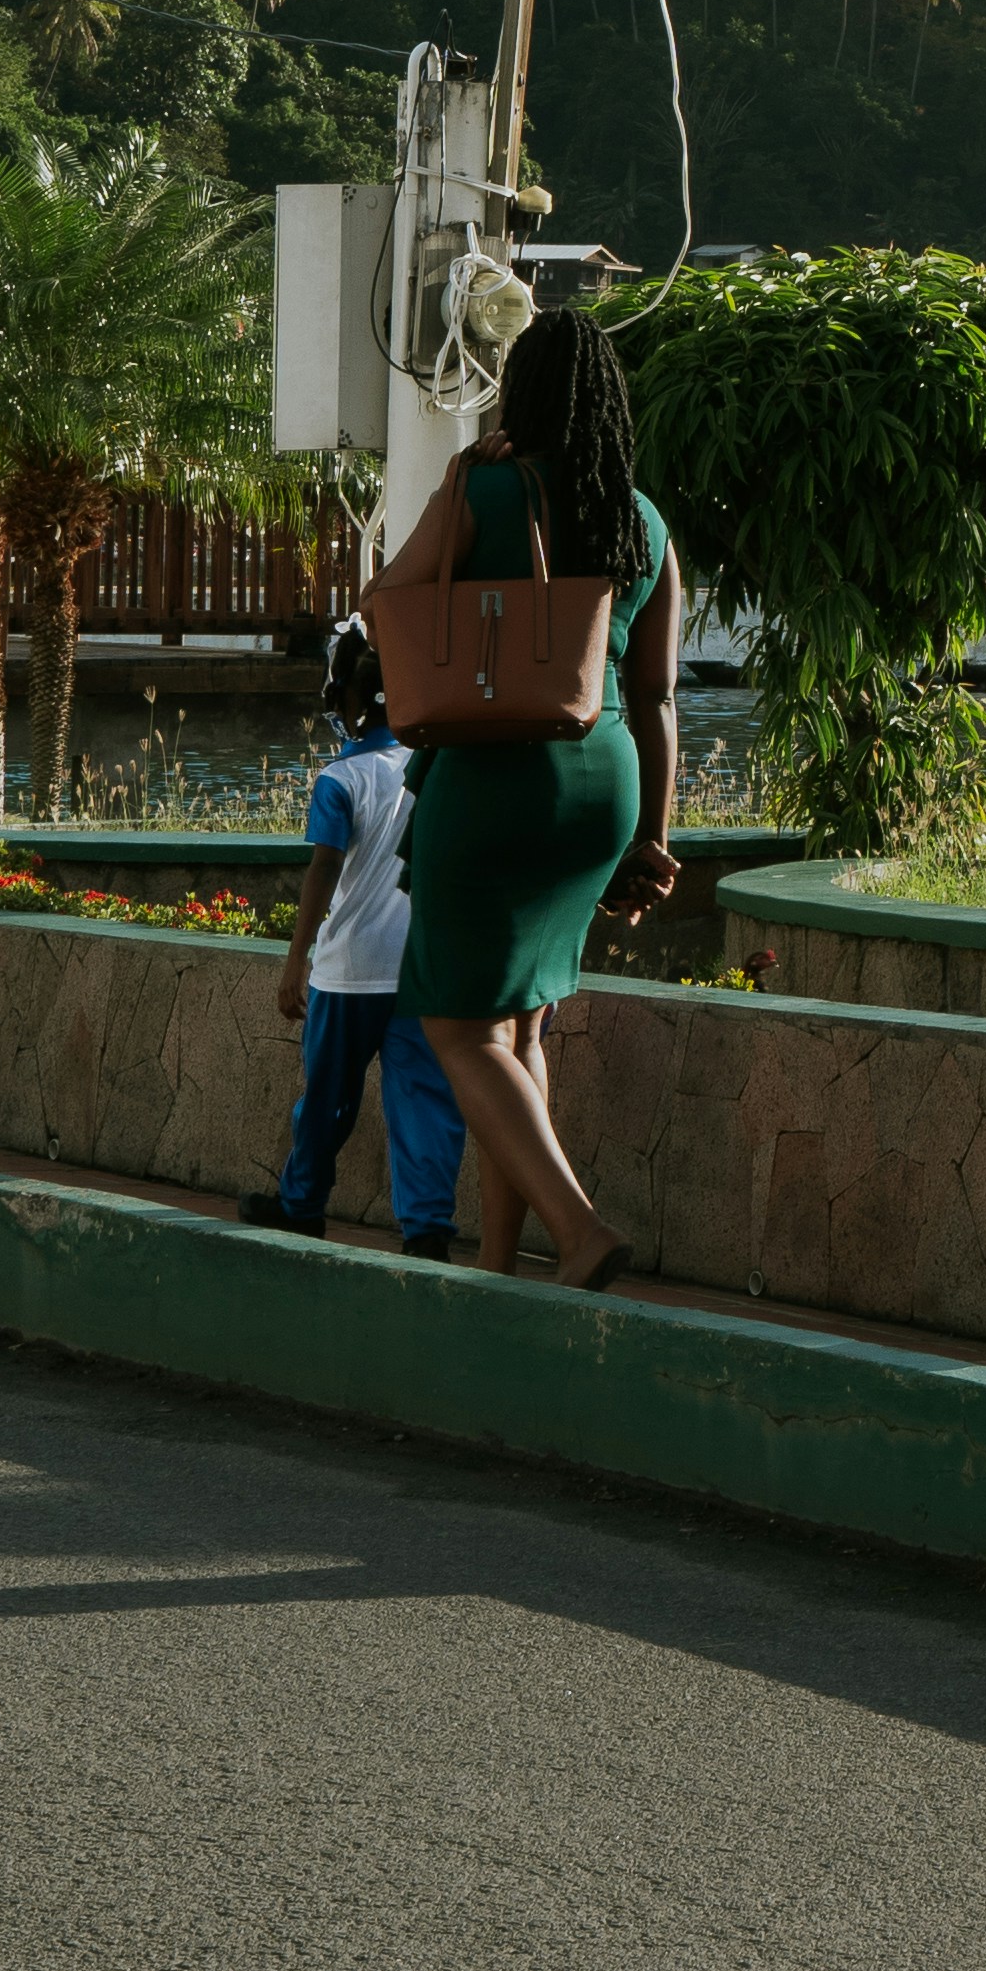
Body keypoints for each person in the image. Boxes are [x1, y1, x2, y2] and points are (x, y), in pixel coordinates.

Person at [380, 296, 681, 1286]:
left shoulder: (486, 489)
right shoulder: (643, 522)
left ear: (521, 396)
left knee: (458, 1028)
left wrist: (460, 485)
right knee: (519, 1023)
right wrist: (652, 838)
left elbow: (387, 602)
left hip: (494, 776)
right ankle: (501, 1267)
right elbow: (658, 696)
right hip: (604, 787)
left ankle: (580, 1228)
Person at [256, 616, 452, 1248]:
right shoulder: (432, 766)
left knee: (327, 1100)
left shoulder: (340, 780)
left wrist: (296, 959)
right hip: (416, 970)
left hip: (348, 972)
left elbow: (323, 869)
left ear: (343, 699)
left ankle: (302, 1204)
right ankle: (427, 1228)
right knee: (423, 1100)